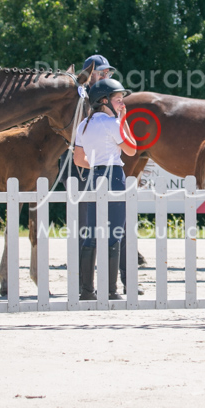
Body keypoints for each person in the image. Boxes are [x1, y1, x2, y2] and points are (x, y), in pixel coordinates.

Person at [74, 78, 138, 300]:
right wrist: (124, 121)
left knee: (91, 232)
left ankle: (86, 290)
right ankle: (111, 290)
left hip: (95, 177)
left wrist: (97, 164)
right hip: (115, 177)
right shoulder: (113, 124)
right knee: (115, 232)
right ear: (104, 101)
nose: (122, 104)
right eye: (118, 99)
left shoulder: (83, 125)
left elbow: (78, 159)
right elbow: (132, 150)